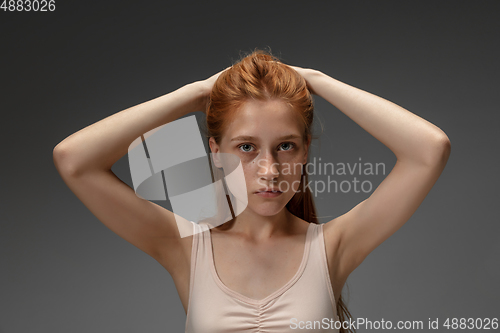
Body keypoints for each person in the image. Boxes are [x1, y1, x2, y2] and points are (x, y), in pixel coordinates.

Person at [53, 49, 451, 333]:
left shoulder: (333, 246)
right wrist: (194, 93)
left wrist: (316, 80)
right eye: (246, 147)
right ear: (216, 152)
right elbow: (74, 159)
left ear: (305, 149)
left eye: (286, 145)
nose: (270, 170)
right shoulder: (185, 247)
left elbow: (429, 150)